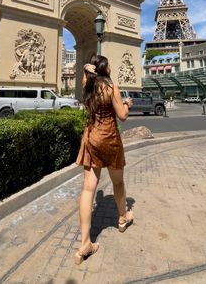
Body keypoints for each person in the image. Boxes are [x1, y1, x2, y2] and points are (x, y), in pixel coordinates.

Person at [74, 55, 133, 265]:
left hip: (91, 138)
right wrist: (127, 104)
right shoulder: (111, 87)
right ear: (105, 69)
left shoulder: (87, 85)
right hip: (109, 139)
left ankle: (85, 243)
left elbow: (85, 78)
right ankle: (122, 217)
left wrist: (85, 69)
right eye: (109, 65)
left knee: (88, 189)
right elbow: (123, 116)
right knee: (118, 182)